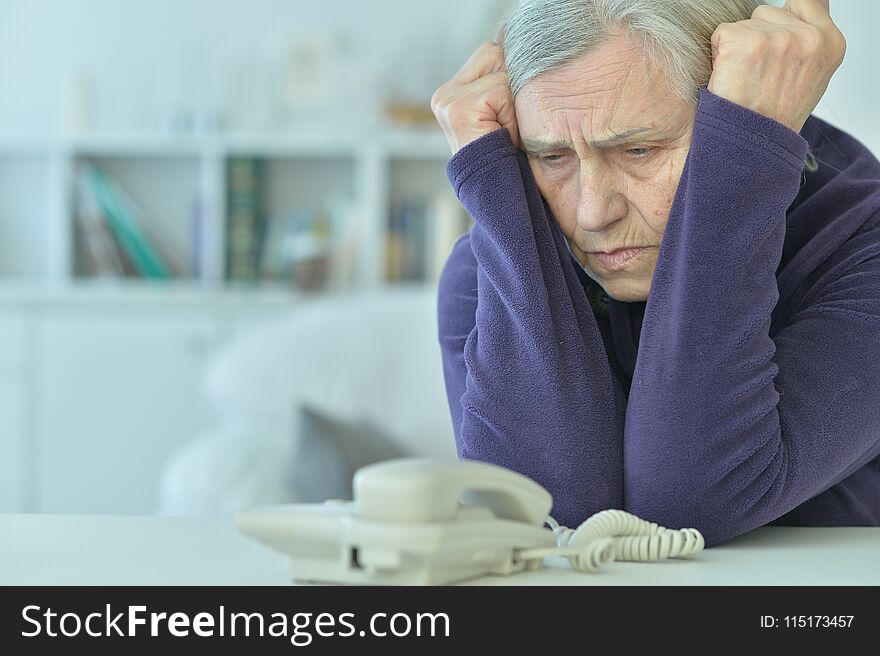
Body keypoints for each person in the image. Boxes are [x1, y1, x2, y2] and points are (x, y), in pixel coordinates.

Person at [431, 0, 880, 547]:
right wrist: (492, 183)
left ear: (753, 106)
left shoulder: (865, 244)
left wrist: (745, 151)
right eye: (551, 158)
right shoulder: (498, 257)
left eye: (640, 150)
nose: (594, 213)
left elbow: (693, 498)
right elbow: (543, 516)